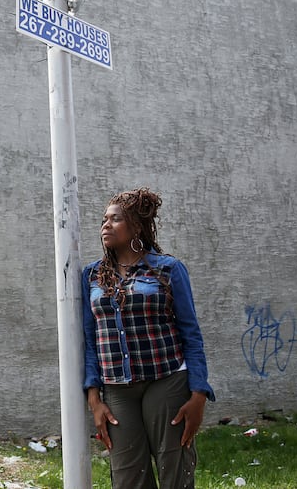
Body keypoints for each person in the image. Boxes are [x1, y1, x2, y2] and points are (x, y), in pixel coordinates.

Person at [82, 187, 215, 489]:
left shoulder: (168, 269)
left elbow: (191, 334)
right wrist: (94, 399)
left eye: (115, 219)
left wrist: (198, 395)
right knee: (128, 479)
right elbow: (89, 340)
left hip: (167, 381)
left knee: (175, 474)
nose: (105, 225)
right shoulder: (91, 275)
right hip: (117, 390)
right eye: (104, 219)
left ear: (137, 226)